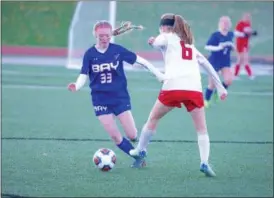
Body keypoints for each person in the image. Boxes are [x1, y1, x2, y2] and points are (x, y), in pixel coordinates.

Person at [129, 13, 227, 177]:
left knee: (153, 118)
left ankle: (140, 149)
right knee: (202, 129)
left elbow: (160, 41)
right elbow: (207, 65)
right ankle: (204, 162)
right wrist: (221, 88)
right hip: (194, 89)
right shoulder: (190, 45)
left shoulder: (166, 36)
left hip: (173, 87)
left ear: (163, 27)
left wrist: (154, 42)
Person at [67, 21, 166, 168]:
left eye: (107, 35)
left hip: (120, 98)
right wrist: (77, 85)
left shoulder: (117, 50)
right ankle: (138, 158)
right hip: (100, 100)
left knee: (132, 134)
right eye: (101, 36)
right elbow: (83, 74)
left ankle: (137, 145)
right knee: (115, 136)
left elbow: (142, 61)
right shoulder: (90, 54)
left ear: (111, 35)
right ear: (95, 35)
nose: (104, 38)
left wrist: (159, 75)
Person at [204, 16, 234, 107]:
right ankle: (206, 100)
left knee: (228, 80)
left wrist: (232, 47)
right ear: (220, 24)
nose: (225, 25)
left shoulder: (230, 34)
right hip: (214, 61)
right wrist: (218, 48)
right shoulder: (215, 35)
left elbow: (231, 45)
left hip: (225, 61)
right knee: (212, 84)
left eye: (227, 23)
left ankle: (218, 91)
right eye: (223, 23)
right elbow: (207, 46)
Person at [234, 13, 258, 80]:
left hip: (245, 44)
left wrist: (251, 35)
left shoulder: (248, 24)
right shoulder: (240, 24)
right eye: (246, 17)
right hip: (240, 44)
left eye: (248, 17)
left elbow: (248, 34)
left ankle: (247, 74)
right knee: (241, 59)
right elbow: (236, 33)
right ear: (243, 17)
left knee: (244, 59)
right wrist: (243, 35)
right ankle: (249, 75)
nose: (247, 19)